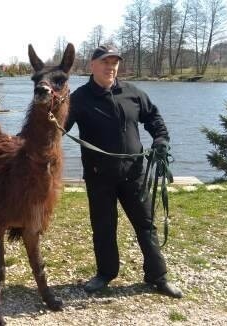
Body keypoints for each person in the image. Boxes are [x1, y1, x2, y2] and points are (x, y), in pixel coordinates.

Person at [64, 45, 183, 298]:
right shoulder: (79, 99)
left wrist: (160, 140)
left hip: (135, 173)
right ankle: (106, 274)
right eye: (105, 62)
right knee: (104, 227)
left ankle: (157, 276)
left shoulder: (133, 93)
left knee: (146, 224)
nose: (111, 67)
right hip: (99, 176)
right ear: (92, 66)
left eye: (114, 62)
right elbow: (57, 129)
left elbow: (154, 119)